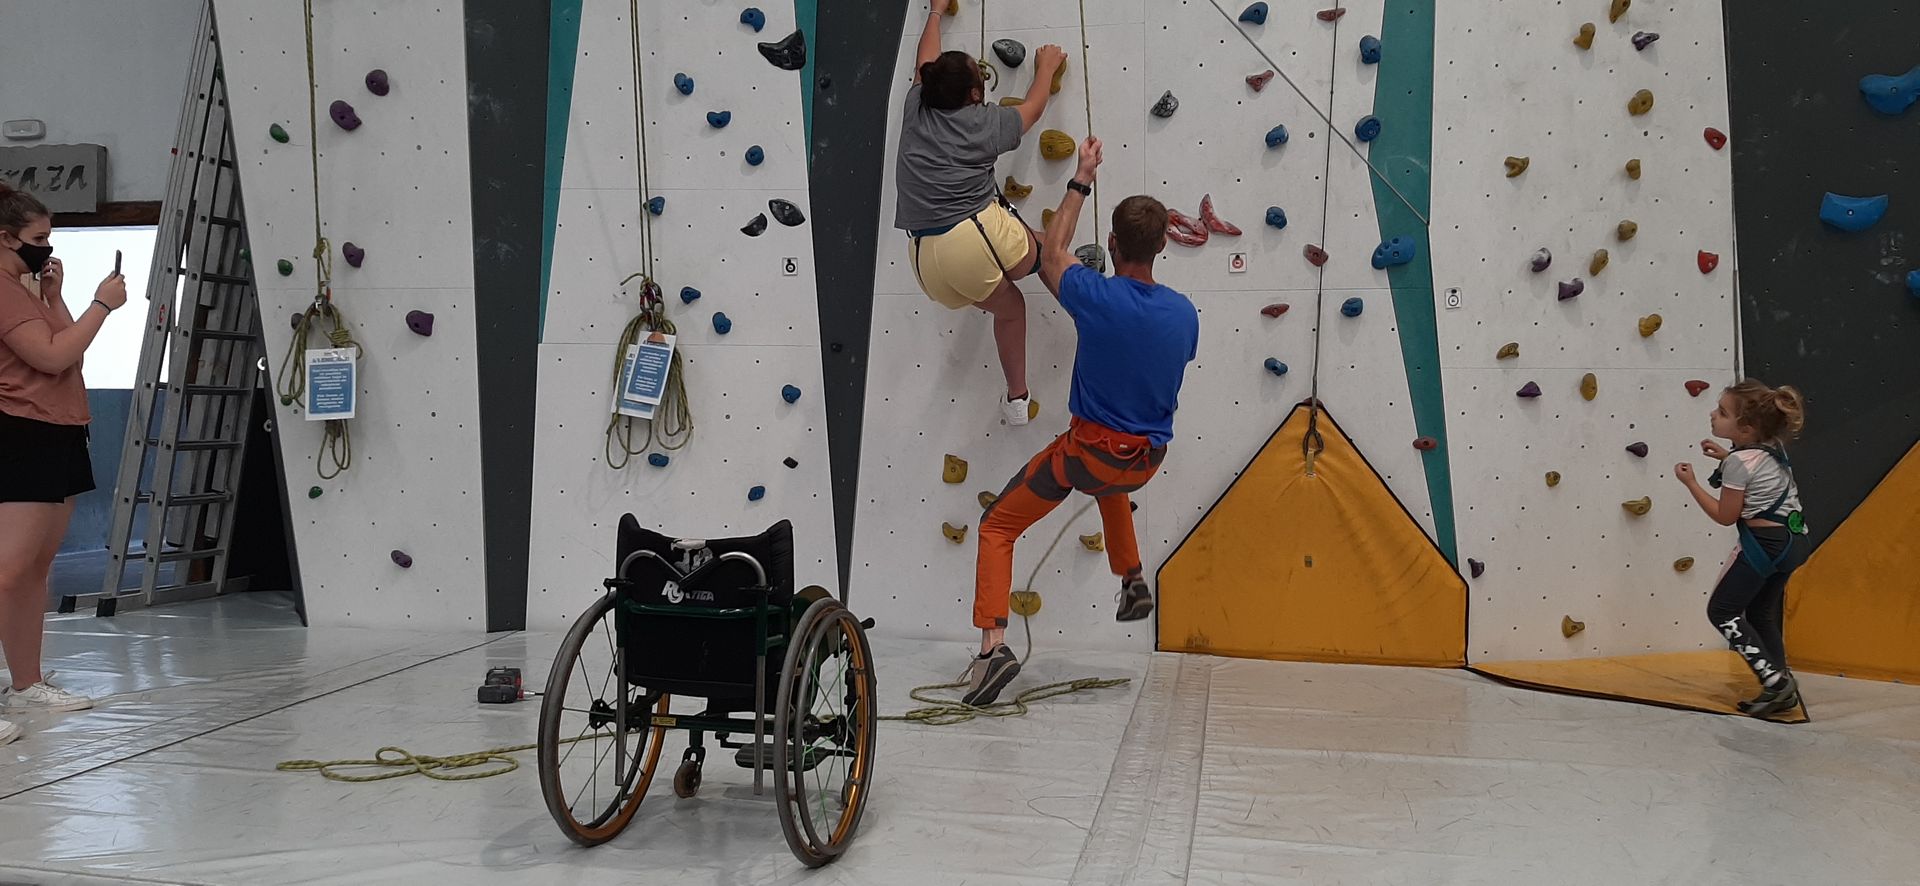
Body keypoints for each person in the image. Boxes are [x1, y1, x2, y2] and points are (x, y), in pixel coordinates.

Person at [962, 137, 1199, 706]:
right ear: (1163, 246)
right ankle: (1131, 577)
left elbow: (1052, 255)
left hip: (1090, 453)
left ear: (1113, 244)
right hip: (1145, 461)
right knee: (1107, 483)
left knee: (997, 525)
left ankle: (993, 650)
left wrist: (1081, 177)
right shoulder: (1184, 313)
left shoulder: (1096, 296)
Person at [895, 2, 1066, 426]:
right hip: (970, 236)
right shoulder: (983, 122)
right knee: (1048, 255)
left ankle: (1018, 401)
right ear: (975, 95)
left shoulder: (917, 106)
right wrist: (1045, 68)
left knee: (1011, 308)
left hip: (926, 262)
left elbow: (926, 60)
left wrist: (935, 13)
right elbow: (1033, 109)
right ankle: (1105, 322)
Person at [0, 182, 126, 745]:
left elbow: (63, 341)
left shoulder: (24, 288)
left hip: (60, 429)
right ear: (5, 239)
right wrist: (104, 305)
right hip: (20, 431)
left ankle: (26, 684)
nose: (46, 249)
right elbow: (53, 355)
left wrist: (56, 297)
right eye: (38, 239)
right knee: (9, 567)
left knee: (34, 571)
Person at [1674, 380, 1810, 718]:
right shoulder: (1773, 447)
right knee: (1761, 612)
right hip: (1793, 543)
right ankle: (1779, 679)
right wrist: (1725, 454)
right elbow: (1753, 470)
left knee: (1722, 611)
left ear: (1746, 428)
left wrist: (1691, 483)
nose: (1713, 415)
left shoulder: (1738, 463)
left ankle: (1775, 683)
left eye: (1722, 413)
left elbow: (1725, 515)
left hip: (1763, 546)